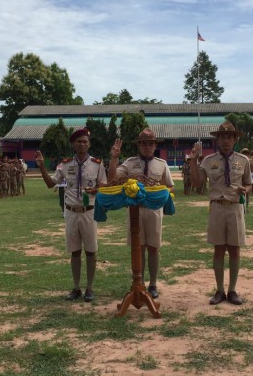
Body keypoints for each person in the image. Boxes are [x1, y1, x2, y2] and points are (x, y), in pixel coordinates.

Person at [36, 128, 108, 302]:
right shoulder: (65, 164)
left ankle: (89, 288)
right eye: (78, 142)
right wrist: (42, 167)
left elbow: (104, 186)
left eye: (85, 141)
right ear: (73, 144)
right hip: (71, 212)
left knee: (91, 251)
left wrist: (95, 190)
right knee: (75, 251)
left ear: (89, 144)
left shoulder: (97, 164)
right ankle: (76, 288)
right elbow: (51, 184)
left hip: (89, 212)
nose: (82, 144)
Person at [189, 121, 252, 306]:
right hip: (217, 207)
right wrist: (193, 160)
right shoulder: (209, 161)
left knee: (234, 249)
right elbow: (197, 183)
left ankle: (232, 290)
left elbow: (249, 183)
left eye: (229, 137)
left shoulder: (243, 160)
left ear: (235, 139)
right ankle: (219, 290)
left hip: (235, 207)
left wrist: (246, 190)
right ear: (218, 139)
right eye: (222, 137)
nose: (226, 140)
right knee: (218, 249)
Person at [108, 128, 174, 299]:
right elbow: (112, 179)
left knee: (153, 248)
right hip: (135, 211)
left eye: (151, 144)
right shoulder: (130, 163)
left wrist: (160, 195)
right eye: (144, 144)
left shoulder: (162, 164)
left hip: (154, 212)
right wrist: (114, 158)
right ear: (139, 146)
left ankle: (153, 284)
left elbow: (169, 186)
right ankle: (139, 283)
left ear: (155, 146)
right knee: (138, 247)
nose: (147, 147)